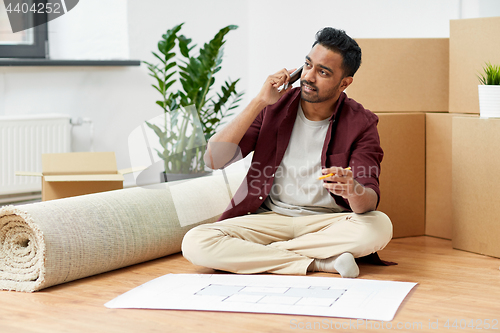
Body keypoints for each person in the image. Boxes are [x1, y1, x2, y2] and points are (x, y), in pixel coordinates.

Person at [182, 27, 392, 278]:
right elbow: (213, 160)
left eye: (323, 72)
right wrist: (259, 101)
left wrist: (353, 189)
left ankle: (262, 255)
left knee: (379, 226)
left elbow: (369, 199)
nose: (309, 77)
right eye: (307, 65)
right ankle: (320, 263)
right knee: (196, 241)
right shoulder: (273, 107)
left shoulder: (362, 122)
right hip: (270, 218)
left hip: (327, 223)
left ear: (344, 83)